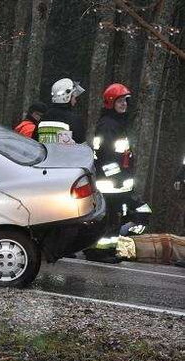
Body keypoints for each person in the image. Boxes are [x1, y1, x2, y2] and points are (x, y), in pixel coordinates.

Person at [84, 83, 151, 264]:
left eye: (125, 101)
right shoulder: (108, 125)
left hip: (116, 183)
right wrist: (118, 177)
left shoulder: (117, 124)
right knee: (107, 219)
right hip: (109, 183)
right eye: (120, 101)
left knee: (114, 218)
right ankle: (97, 252)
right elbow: (106, 157)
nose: (124, 105)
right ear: (110, 102)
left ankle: (109, 249)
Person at [38, 78, 87, 144]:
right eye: (73, 97)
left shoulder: (44, 117)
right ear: (67, 97)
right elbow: (81, 147)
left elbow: (35, 143)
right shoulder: (74, 120)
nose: (75, 101)